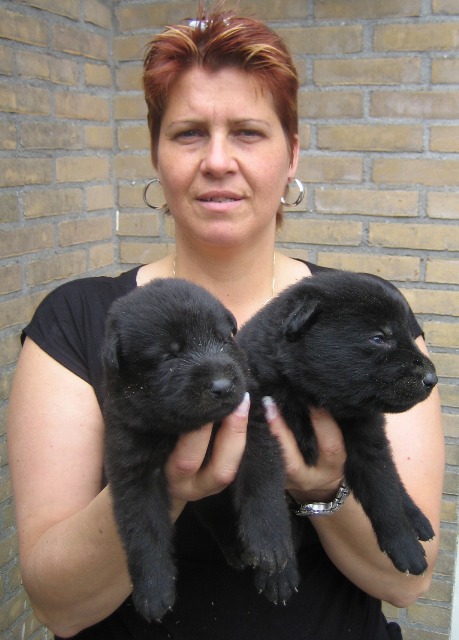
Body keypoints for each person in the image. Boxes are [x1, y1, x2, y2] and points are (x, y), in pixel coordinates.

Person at [7, 6, 444, 640]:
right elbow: (57, 605)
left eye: (248, 132)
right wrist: (167, 486)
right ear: (156, 154)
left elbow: (408, 583)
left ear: (291, 155)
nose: (217, 160)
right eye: (189, 133)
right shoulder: (77, 322)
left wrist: (322, 489)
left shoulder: (363, 311)